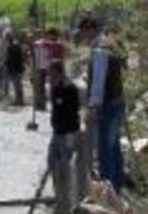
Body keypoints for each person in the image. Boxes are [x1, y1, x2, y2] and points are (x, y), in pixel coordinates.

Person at [87, 30, 126, 193]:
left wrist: (93, 108)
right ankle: (117, 185)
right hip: (117, 103)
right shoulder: (111, 49)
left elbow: (98, 83)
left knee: (105, 149)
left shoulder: (100, 52)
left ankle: (108, 192)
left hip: (107, 106)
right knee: (114, 146)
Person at [48, 60, 81, 197]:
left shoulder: (68, 87)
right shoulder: (57, 86)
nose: (49, 74)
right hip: (58, 131)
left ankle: (67, 194)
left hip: (67, 132)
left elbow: (69, 108)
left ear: (57, 71)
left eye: (51, 71)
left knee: (65, 163)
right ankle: (59, 192)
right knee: (51, 160)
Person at [5, 33, 26, 106]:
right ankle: (20, 100)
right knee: (19, 84)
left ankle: (19, 100)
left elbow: (9, 58)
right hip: (19, 67)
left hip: (14, 68)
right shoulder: (18, 45)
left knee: (16, 84)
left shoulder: (10, 47)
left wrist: (6, 65)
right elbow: (22, 56)